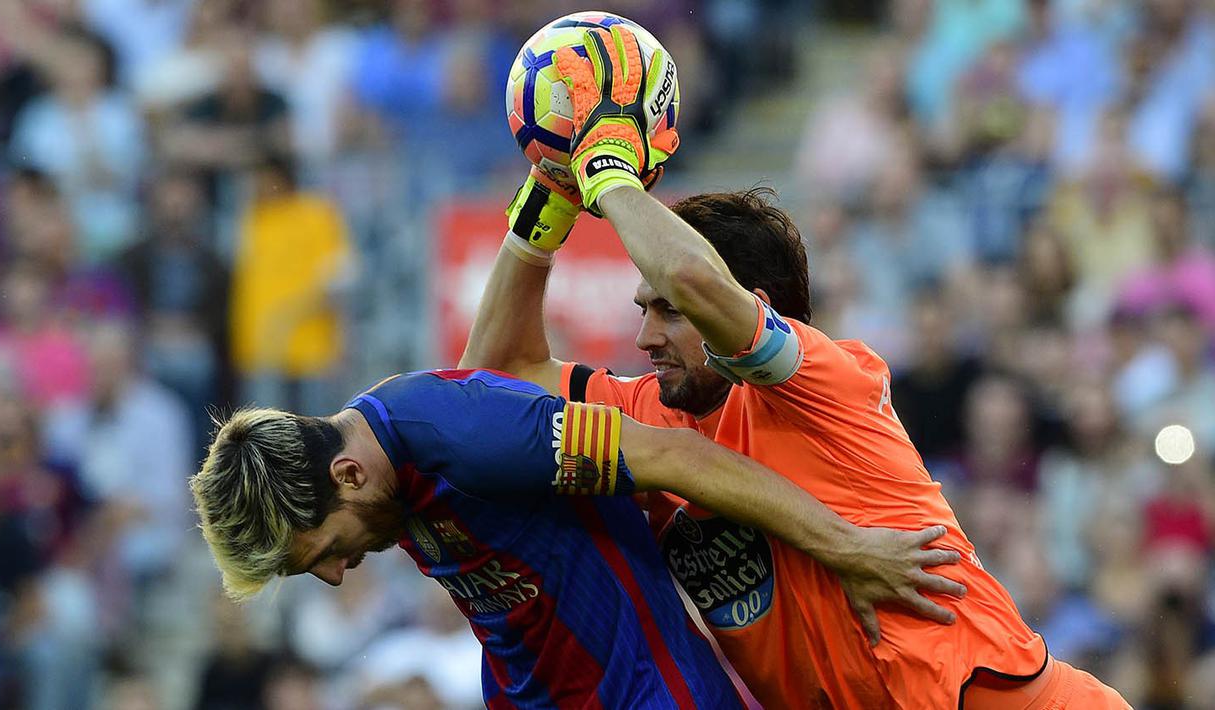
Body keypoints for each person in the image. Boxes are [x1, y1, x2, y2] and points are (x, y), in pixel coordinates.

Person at [461, 23, 1130, 708]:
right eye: (643, 309)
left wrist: (604, 168)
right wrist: (543, 204)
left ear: (747, 306)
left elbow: (694, 278)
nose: (645, 336)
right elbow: (483, 382)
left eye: (666, 312)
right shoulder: (648, 412)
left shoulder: (823, 377)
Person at [190, 367, 964, 708]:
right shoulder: (390, 464)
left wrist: (847, 546)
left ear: (348, 476)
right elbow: (491, 360)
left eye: (320, 551)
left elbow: (676, 456)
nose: (333, 576)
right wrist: (536, 216)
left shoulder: (464, 434)